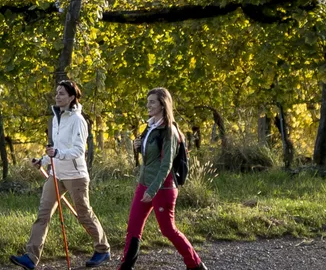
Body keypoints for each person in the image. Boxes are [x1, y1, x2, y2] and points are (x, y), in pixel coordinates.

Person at [11, 80, 112, 269]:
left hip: (76, 175)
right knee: (43, 214)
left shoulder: (78, 120)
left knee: (83, 214)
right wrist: (43, 160)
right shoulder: (56, 118)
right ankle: (31, 257)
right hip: (56, 175)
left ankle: (102, 249)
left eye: (62, 93)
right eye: (56, 93)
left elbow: (78, 150)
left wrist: (58, 154)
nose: (57, 96)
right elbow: (55, 148)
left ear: (72, 97)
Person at [118, 87, 204, 270]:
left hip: (162, 188)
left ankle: (195, 264)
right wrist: (138, 146)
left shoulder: (169, 131)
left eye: (152, 102)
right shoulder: (150, 127)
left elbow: (165, 165)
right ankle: (125, 267)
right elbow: (150, 158)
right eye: (147, 101)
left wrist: (152, 189)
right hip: (145, 183)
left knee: (168, 230)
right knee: (133, 227)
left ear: (163, 105)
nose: (148, 105)